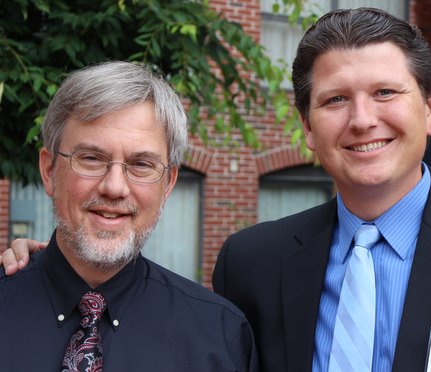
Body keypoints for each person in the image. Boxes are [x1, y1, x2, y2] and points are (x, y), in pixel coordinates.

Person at [4, 7, 431, 372]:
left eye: (385, 92)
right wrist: (40, 273)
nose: (362, 119)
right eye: (335, 99)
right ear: (308, 127)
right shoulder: (253, 265)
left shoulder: (213, 323)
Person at [0, 61, 258, 371]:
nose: (115, 187)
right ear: (49, 170)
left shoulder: (220, 336)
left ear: (169, 183)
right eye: (92, 159)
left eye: (141, 165)